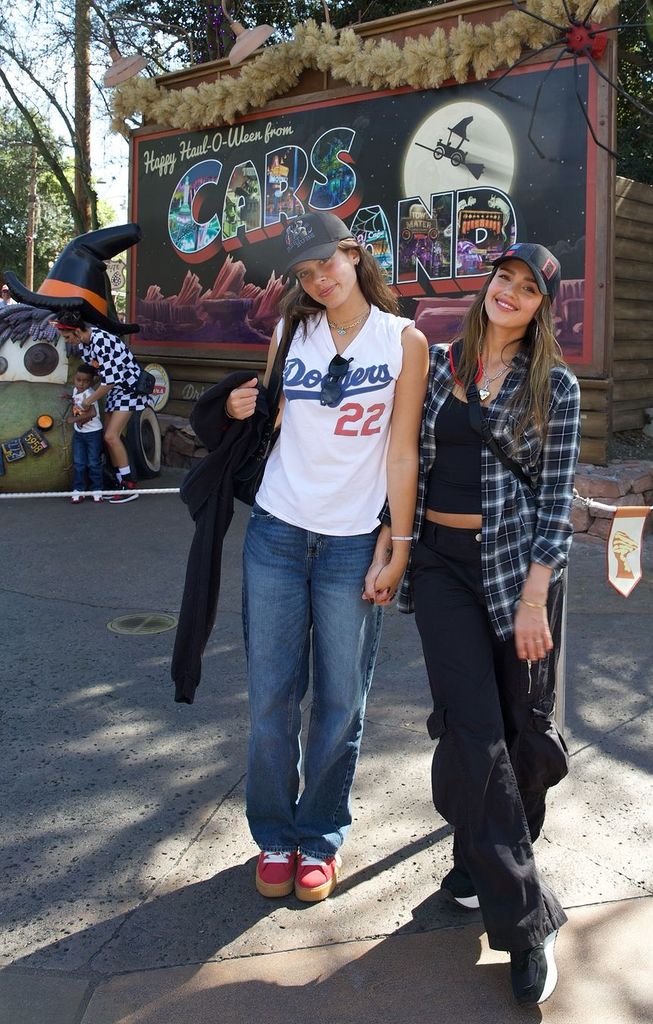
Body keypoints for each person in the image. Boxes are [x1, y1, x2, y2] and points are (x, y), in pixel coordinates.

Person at [224, 211, 428, 902]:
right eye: (305, 274)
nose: (318, 281)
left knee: (341, 700)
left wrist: (398, 545)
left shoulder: (404, 339)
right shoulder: (290, 331)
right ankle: (274, 835)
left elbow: (403, 451)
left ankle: (319, 836)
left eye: (327, 265)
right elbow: (271, 424)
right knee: (271, 699)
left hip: (350, 542)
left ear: (353, 253)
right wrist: (244, 406)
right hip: (277, 532)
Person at [396, 242, 581, 1006]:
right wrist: (394, 547)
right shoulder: (439, 364)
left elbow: (556, 500)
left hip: (519, 575)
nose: (509, 293)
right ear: (487, 289)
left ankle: (480, 858)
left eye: (526, 287)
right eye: (501, 280)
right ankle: (523, 919)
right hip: (440, 564)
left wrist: (534, 597)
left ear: (541, 306)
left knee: (522, 730)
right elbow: (399, 451)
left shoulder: (556, 388)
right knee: (471, 729)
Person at [51, 309, 148, 503]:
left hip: (128, 389)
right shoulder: (87, 345)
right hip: (115, 391)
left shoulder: (102, 341)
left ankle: (129, 485)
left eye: (68, 336)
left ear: (78, 332)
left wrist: (87, 401)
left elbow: (109, 381)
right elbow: (98, 377)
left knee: (111, 436)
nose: (67, 340)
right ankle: (121, 480)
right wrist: (80, 395)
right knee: (109, 436)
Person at [68, 362, 104, 503]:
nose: (81, 384)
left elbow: (92, 413)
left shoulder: (90, 395)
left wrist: (73, 419)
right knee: (78, 463)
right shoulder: (75, 390)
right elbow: (76, 402)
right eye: (78, 380)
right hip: (79, 433)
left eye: (85, 381)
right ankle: (79, 489)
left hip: (93, 434)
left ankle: (97, 489)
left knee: (93, 462)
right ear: (74, 378)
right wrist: (68, 398)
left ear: (91, 382)